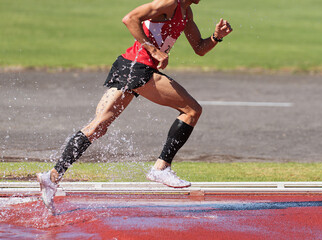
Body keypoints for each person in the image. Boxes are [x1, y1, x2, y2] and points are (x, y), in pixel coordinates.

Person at [37, 0, 232, 212]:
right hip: (139, 68)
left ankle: (52, 176)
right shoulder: (168, 4)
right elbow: (129, 18)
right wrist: (154, 51)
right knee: (192, 110)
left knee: (98, 126)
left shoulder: (186, 12)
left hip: (128, 67)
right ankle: (161, 168)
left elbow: (200, 48)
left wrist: (216, 37)